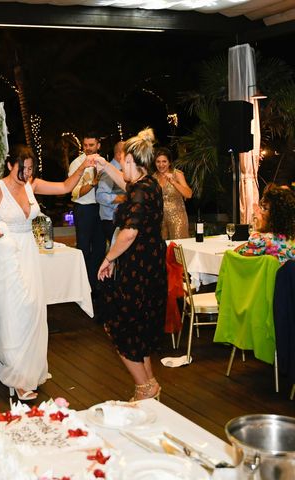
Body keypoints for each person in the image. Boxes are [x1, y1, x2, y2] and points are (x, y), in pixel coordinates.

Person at [0, 145, 93, 401]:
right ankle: (18, 378)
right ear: (10, 165)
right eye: (22, 168)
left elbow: (64, 188)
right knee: (16, 313)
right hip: (5, 256)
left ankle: (28, 370)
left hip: (28, 253)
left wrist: (82, 166)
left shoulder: (31, 185)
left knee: (33, 311)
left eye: (30, 169)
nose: (26, 173)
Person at [94, 128, 167, 401]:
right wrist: (103, 166)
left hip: (138, 269)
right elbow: (128, 185)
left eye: (121, 161)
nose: (119, 165)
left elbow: (129, 232)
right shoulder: (148, 185)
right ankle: (150, 386)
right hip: (150, 267)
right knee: (140, 329)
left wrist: (108, 258)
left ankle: (144, 388)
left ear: (129, 161)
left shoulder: (139, 192)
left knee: (120, 326)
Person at [68, 133, 105, 293]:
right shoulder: (76, 164)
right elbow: (74, 192)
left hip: (101, 209)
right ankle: (83, 288)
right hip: (84, 209)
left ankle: (96, 285)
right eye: (86, 145)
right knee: (83, 249)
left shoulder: (104, 163)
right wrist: (92, 184)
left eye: (91, 145)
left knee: (100, 248)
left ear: (98, 145)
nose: (88, 148)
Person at [236, 184, 295, 265]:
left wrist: (258, 229)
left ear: (276, 215)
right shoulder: (292, 239)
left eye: (265, 209)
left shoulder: (262, 239)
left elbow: (235, 257)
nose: (260, 212)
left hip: (268, 277)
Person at [151, 147, 192, 240]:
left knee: (178, 248)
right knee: (162, 249)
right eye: (158, 161)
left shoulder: (177, 174)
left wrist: (174, 182)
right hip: (160, 220)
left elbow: (189, 194)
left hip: (178, 218)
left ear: (169, 162)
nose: (161, 164)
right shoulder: (152, 178)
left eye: (164, 161)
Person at [96, 141, 127, 245]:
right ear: (119, 154)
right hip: (111, 220)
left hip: (121, 218)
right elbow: (100, 196)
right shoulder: (109, 171)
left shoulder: (125, 169)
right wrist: (124, 198)